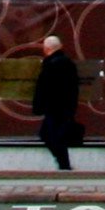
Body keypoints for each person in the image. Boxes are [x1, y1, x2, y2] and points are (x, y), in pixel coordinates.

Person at [30, 32, 84, 173]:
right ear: (60, 46)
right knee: (55, 135)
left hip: (54, 107)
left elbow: (44, 88)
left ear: (46, 49)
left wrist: (39, 106)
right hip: (66, 107)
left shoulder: (50, 65)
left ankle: (64, 165)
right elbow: (73, 87)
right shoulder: (68, 63)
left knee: (49, 135)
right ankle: (64, 164)